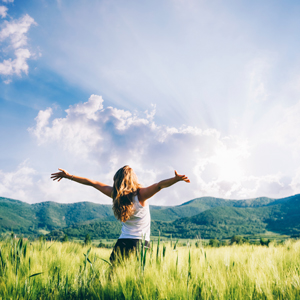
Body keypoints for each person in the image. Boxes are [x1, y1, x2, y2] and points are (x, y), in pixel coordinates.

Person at [51, 165, 190, 262]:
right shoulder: (141, 194)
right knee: (139, 281)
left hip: (122, 243)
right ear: (133, 179)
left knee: (113, 279)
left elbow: (92, 183)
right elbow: (159, 185)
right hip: (141, 245)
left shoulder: (115, 195)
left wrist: (69, 176)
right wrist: (175, 179)